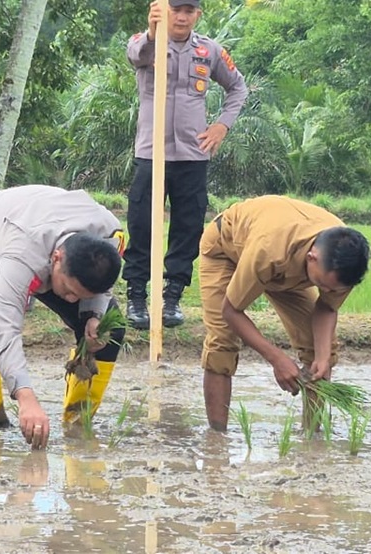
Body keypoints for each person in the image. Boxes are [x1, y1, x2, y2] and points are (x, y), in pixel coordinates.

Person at [0, 185, 126, 450]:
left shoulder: (108, 233)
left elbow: (101, 287)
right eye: (70, 292)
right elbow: (5, 331)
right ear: (56, 259)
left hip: (36, 236)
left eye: (78, 295)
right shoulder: (23, 253)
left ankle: (76, 423)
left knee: (111, 329)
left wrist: (93, 315)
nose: (71, 300)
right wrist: (26, 398)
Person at [123, 0, 247, 330]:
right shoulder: (144, 42)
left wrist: (222, 124)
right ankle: (136, 296)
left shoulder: (209, 50)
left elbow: (238, 86)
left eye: (188, 11)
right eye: (176, 9)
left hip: (192, 154)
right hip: (152, 152)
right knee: (141, 224)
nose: (181, 17)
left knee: (188, 226)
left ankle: (172, 296)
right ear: (164, 11)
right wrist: (153, 31)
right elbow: (137, 56)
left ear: (197, 15)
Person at [200, 196, 371, 431]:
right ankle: (217, 441)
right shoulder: (269, 249)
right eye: (323, 285)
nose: (328, 292)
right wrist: (277, 359)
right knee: (223, 341)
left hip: (284, 271)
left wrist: (322, 358)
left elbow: (327, 307)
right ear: (312, 258)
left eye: (334, 289)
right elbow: (231, 310)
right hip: (227, 250)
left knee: (321, 350)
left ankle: (312, 436)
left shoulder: (345, 265)